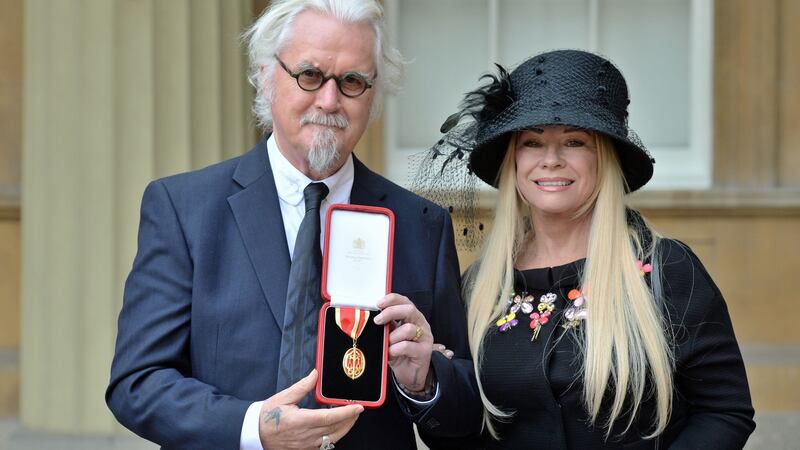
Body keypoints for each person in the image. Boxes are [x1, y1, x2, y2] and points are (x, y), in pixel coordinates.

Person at [106, 1, 479, 449]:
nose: (329, 100)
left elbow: (464, 418)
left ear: (373, 95)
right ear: (266, 76)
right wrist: (251, 428)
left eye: (352, 82)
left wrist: (425, 381)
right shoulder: (184, 209)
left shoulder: (421, 224)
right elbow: (137, 384)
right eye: (309, 75)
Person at [425, 49, 755, 449]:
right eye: (532, 142)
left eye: (574, 141)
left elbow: (724, 411)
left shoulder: (667, 270)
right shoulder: (479, 288)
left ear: (605, 158)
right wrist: (425, 384)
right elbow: (457, 430)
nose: (551, 160)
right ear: (513, 161)